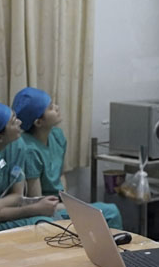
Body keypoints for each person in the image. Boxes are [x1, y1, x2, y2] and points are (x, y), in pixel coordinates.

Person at [12, 87, 122, 229]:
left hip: (61, 203)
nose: (57, 108)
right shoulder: (29, 150)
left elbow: (60, 175)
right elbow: (37, 201)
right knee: (110, 212)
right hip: (45, 211)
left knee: (108, 210)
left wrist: (69, 202)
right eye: (50, 108)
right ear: (38, 122)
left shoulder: (57, 135)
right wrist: (73, 207)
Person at [0, 101, 58, 232]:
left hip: (9, 212)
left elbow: (17, 196)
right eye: (13, 122)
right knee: (48, 225)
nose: (20, 122)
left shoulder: (16, 146)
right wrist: (35, 209)